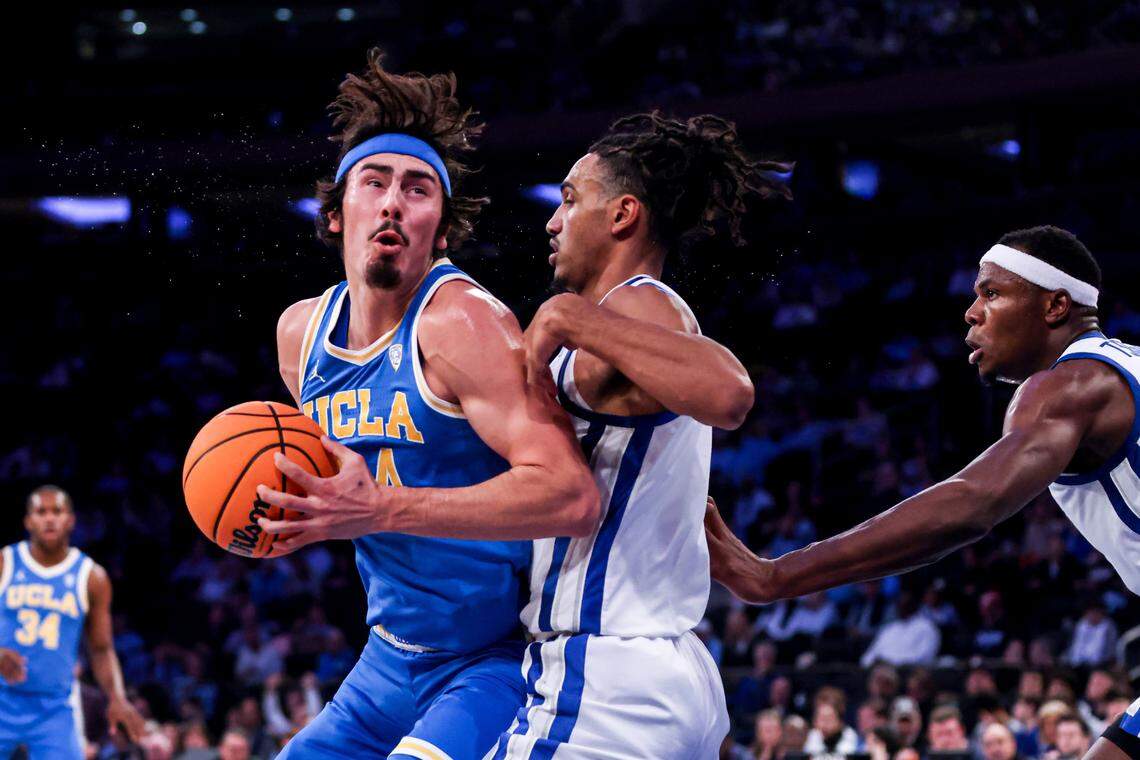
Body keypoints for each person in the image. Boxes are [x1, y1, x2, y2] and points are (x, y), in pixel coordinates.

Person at [256, 49, 597, 760]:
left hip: (495, 660)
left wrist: (379, 507)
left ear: (441, 228)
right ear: (334, 213)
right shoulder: (300, 336)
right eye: (374, 182)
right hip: (383, 664)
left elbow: (571, 496)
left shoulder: (462, 323)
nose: (391, 201)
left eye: (416, 189)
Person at [704, 224, 1140, 760]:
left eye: (992, 293)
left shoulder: (1069, 385)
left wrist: (774, 575)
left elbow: (971, 504)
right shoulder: (1122, 365)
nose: (971, 311)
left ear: (1054, 307)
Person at [493, 111, 790, 757]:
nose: (552, 220)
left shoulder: (634, 304)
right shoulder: (629, 321)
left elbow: (730, 393)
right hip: (654, 669)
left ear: (623, 214)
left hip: (605, 680)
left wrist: (570, 317)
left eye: (570, 200)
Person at [0, 485, 145, 758]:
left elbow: (101, 649)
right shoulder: (5, 562)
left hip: (55, 706)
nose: (49, 518)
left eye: (57, 510)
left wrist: (117, 697)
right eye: (41, 511)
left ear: (71, 520)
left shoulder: (92, 577)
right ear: (28, 521)